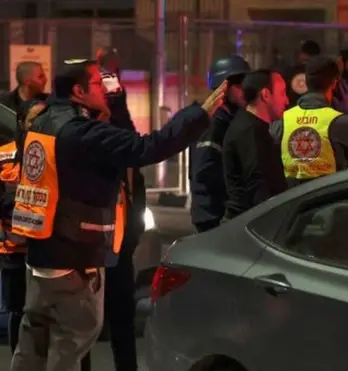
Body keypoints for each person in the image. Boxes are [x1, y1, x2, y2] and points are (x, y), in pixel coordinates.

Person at [9, 59, 226, 371]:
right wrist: (199, 114)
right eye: (99, 84)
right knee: (70, 344)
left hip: (42, 256)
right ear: (79, 91)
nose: (106, 89)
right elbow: (148, 147)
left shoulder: (43, 123)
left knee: (33, 345)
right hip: (74, 261)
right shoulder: (81, 133)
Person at [79, 48, 149, 371]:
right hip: (89, 249)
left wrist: (132, 236)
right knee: (84, 327)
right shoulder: (81, 135)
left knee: (122, 320)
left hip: (119, 249)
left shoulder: (121, 132)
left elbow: (137, 187)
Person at [271, 56, 348, 188]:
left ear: (305, 83)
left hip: (292, 202)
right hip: (329, 201)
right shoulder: (342, 122)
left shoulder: (282, 122)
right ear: (334, 83)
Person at [0, 99, 45, 356]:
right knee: (18, 312)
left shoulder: (57, 152)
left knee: (45, 315)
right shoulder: (4, 154)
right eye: (32, 120)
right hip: (14, 248)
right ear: (21, 123)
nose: (37, 126)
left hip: (49, 251)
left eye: (42, 119)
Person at [189, 55, 250, 232]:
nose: (244, 92)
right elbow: (204, 169)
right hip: (213, 215)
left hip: (218, 212)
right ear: (224, 87)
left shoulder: (228, 119)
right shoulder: (214, 122)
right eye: (240, 85)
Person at [222, 69, 288, 220]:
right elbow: (257, 185)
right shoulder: (250, 131)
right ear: (266, 95)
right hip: (247, 226)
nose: (286, 100)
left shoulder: (254, 127)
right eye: (282, 93)